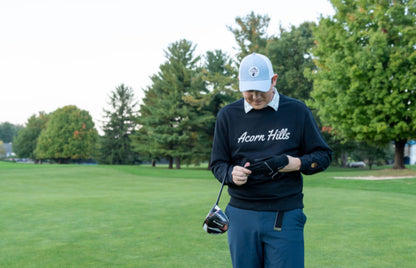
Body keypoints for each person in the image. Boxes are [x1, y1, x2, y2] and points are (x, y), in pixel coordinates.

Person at [210, 52, 332, 268]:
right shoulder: (228, 115)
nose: (255, 96)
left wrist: (294, 163)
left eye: (261, 89)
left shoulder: (296, 111)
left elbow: (323, 156)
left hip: (284, 214)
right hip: (241, 215)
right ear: (240, 84)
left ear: (274, 80)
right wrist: (231, 174)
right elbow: (218, 164)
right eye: (249, 90)